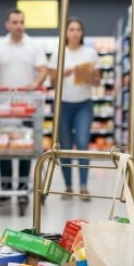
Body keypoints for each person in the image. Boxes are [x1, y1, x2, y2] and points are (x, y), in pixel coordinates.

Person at [0, 7, 48, 194]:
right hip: (4, 105)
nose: (19, 26)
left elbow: (43, 69)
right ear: (7, 25)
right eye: (15, 22)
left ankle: (22, 186)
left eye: (21, 22)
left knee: (25, 147)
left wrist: (35, 83)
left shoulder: (34, 46)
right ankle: (5, 187)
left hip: (27, 105)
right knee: (4, 146)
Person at [48, 17, 100, 200]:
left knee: (83, 143)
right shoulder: (58, 54)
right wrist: (63, 73)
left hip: (84, 104)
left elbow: (97, 81)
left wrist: (86, 75)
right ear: (65, 33)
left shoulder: (90, 54)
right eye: (71, 29)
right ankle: (68, 186)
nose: (75, 33)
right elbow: (52, 82)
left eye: (78, 29)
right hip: (62, 104)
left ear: (82, 33)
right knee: (66, 146)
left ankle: (84, 186)